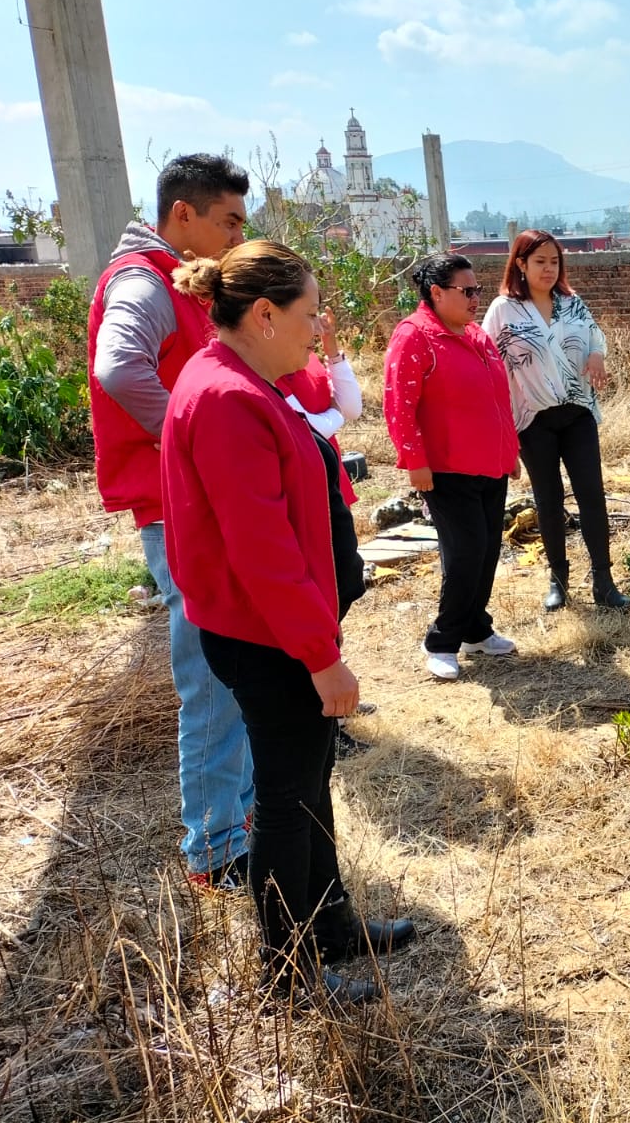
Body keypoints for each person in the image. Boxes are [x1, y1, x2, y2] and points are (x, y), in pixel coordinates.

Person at [161, 240, 414, 1004]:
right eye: (308, 316)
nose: (318, 330)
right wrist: (318, 653)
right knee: (286, 798)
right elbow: (261, 551)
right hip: (267, 638)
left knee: (309, 783)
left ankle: (330, 924)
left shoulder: (246, 380)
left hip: (279, 632)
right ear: (264, 314)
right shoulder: (229, 398)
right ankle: (290, 972)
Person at [86, 153, 255, 889]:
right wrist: (190, 432)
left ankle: (238, 820)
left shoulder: (180, 282)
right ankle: (216, 847)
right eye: (229, 222)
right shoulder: (142, 282)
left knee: (234, 664)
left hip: (195, 497)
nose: (235, 237)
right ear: (182, 215)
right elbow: (118, 368)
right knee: (213, 674)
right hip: (173, 503)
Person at [384, 254, 520, 680]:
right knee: (465, 554)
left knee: (486, 551)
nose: (476, 298)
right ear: (437, 293)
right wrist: (414, 462)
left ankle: (476, 629)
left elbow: (499, 400)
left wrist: (509, 450)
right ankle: (442, 640)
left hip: (489, 464)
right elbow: (399, 405)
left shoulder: (475, 335)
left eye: (478, 289)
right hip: (446, 468)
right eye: (467, 291)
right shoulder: (415, 337)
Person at [481, 229, 630, 612]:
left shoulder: (571, 302)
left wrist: (597, 354)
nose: (549, 269)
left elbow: (595, 335)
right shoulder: (503, 309)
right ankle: (559, 581)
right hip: (534, 419)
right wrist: (498, 428)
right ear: (520, 264)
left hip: (578, 412)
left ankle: (604, 581)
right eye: (539, 262)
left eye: (554, 261)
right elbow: (488, 363)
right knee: (549, 500)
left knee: (592, 495)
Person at [277, 311, 372, 757]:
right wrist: (330, 415)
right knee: (319, 600)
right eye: (308, 309)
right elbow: (304, 426)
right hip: (304, 495)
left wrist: (332, 348)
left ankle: (333, 693)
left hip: (331, 488)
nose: (315, 320)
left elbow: (350, 409)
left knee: (344, 587)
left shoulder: (309, 356)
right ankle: (323, 712)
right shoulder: (269, 365)